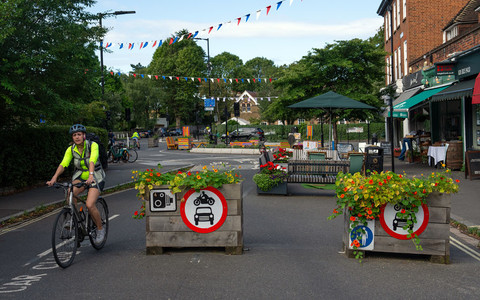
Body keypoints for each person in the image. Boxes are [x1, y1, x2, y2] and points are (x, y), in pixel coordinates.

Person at [46, 124, 106, 243]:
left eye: (79, 134)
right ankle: (73, 219)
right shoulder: (71, 149)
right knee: (70, 192)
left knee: (89, 204)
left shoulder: (92, 145)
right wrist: (54, 178)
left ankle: (100, 229)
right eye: (74, 135)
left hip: (96, 176)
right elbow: (64, 164)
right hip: (80, 176)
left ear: (84, 135)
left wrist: (90, 175)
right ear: (72, 137)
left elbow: (93, 159)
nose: (77, 137)